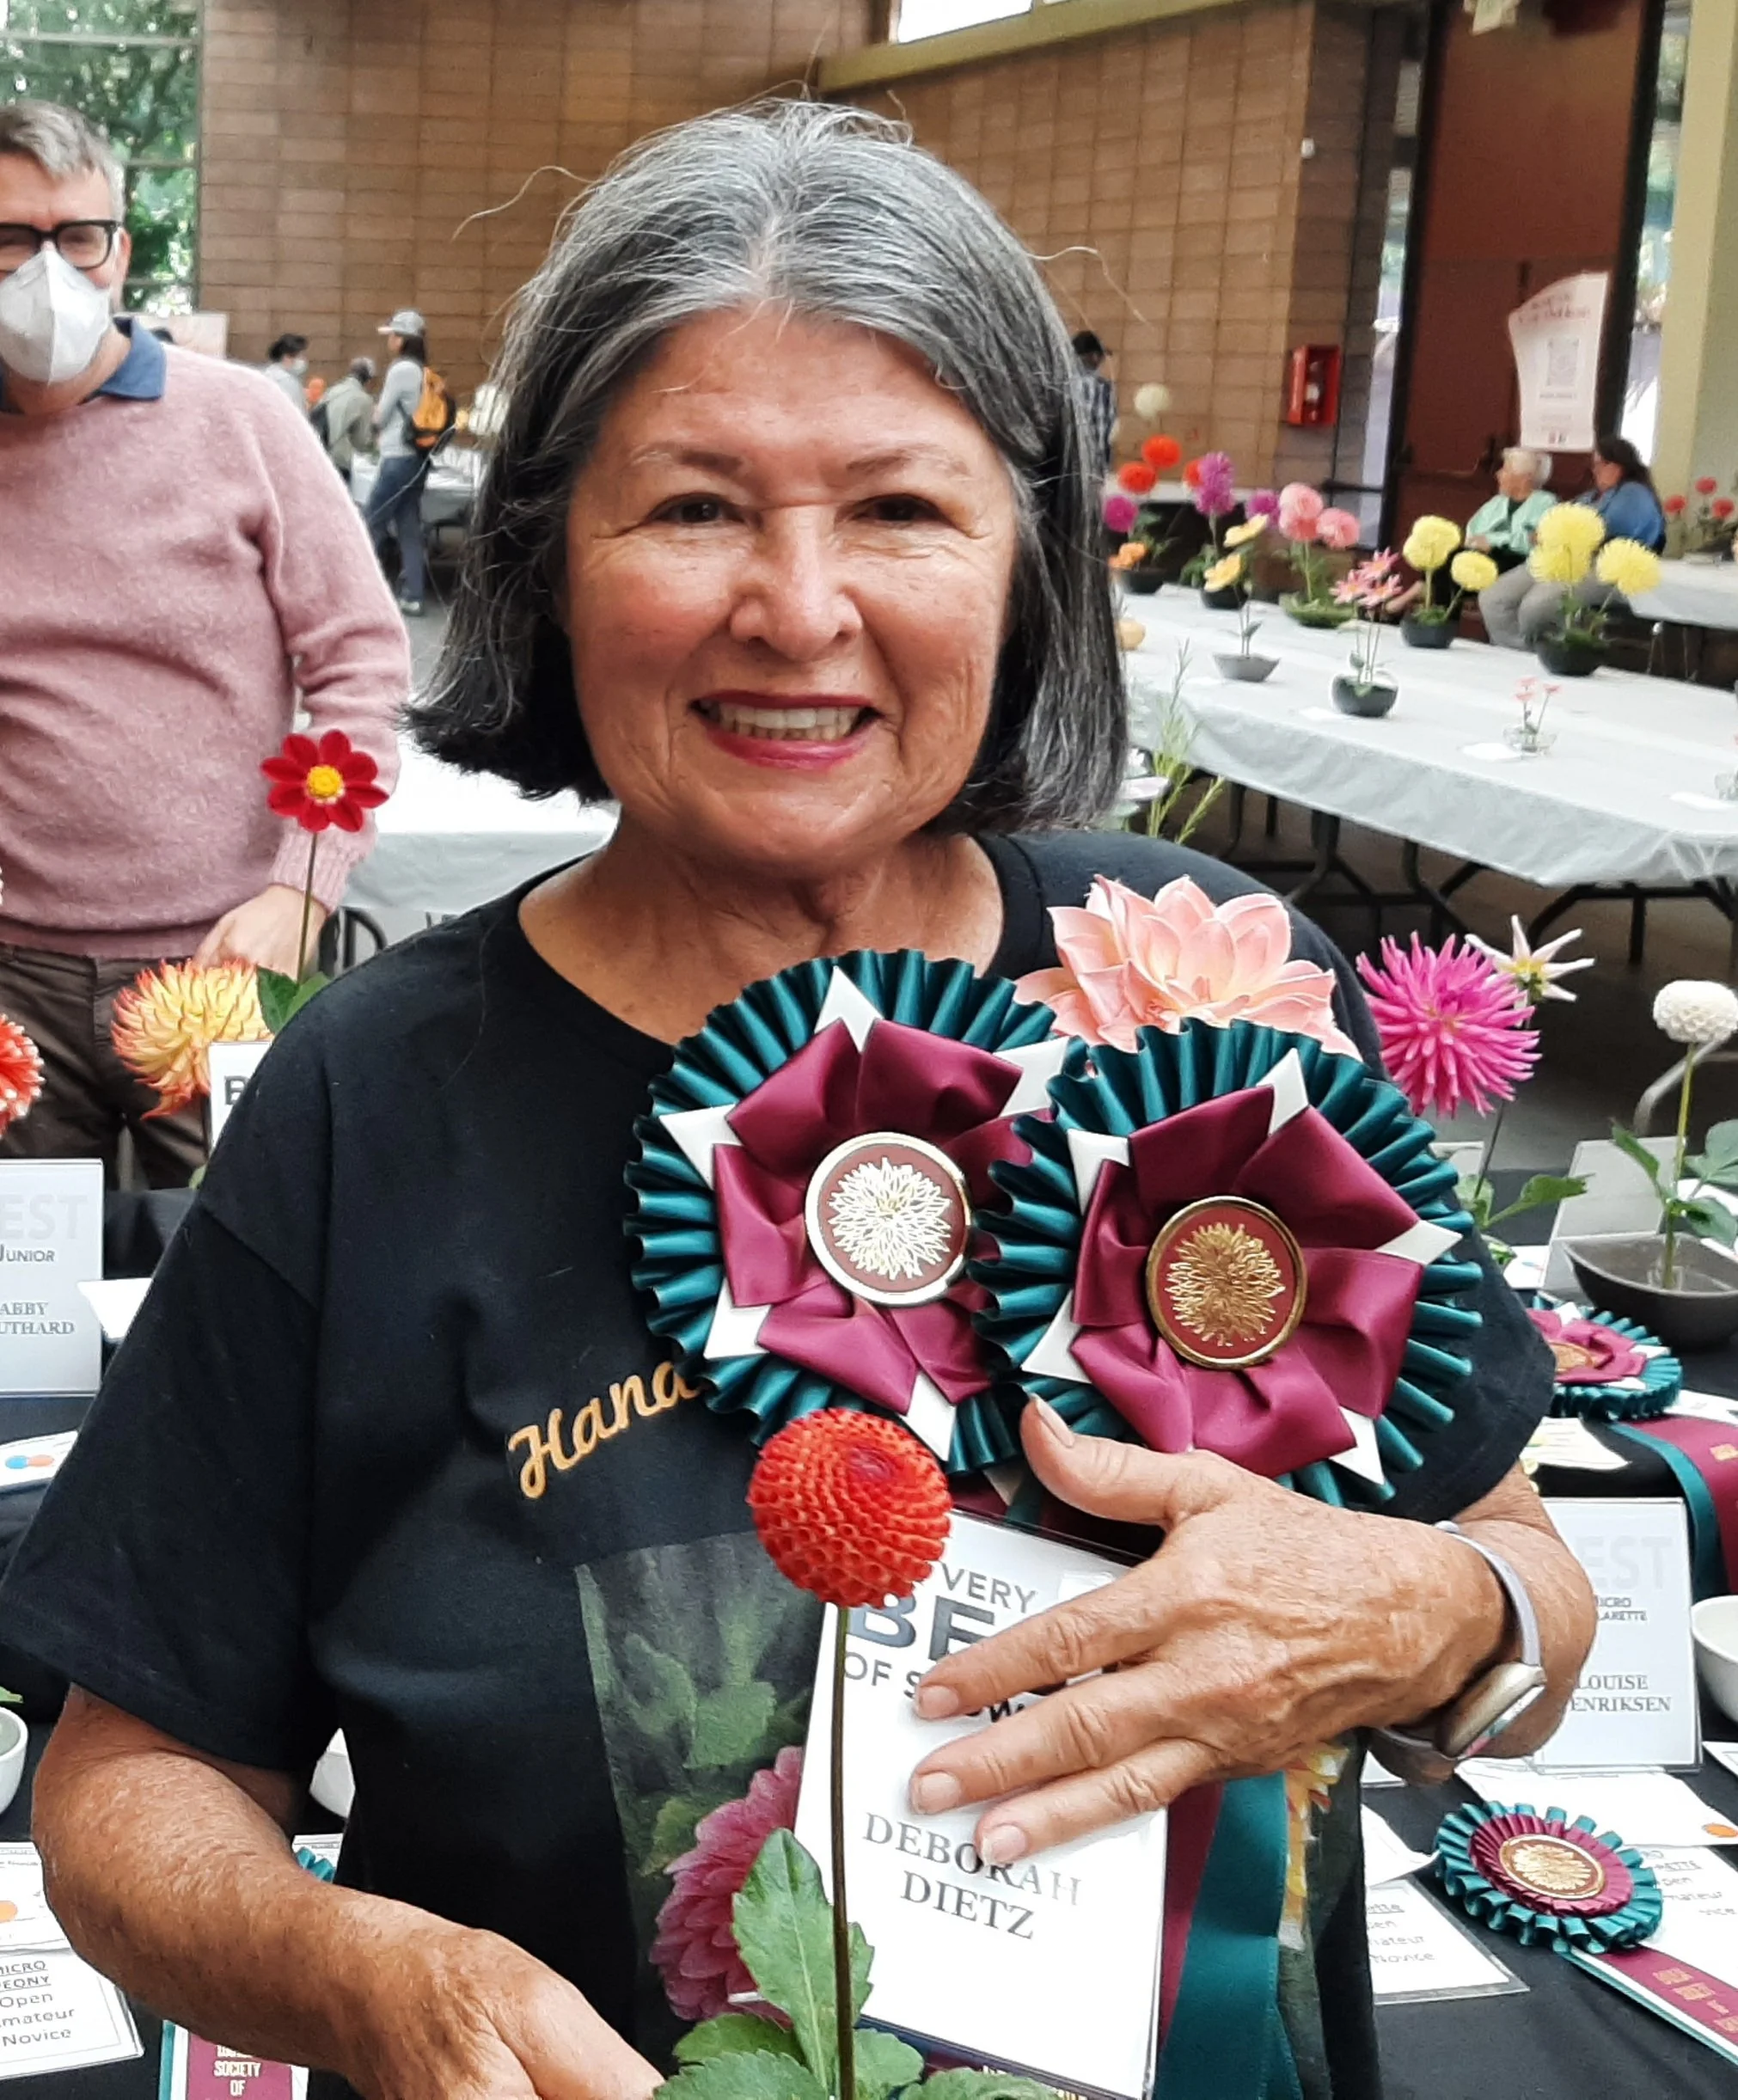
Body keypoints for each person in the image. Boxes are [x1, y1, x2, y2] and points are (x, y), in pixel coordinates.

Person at [8, 104, 1590, 2100]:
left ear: (1025, 562)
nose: (795, 607)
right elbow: (128, 1772)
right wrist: (358, 1977)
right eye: (691, 509)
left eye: (899, 514)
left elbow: (1522, 1568)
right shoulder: (373, 1090)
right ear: (545, 556)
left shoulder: (1201, 988)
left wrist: (1440, 1612)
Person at [0, 101, 407, 1185]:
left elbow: (363, 665)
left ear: (121, 252)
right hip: (14, 981)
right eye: (7, 240)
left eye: (75, 236)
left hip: (224, 958)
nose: (45, 270)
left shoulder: (242, 422)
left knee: (238, 1285)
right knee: (22, 1311)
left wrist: (305, 888)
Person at [1480, 432, 1668, 649]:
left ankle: (1543, 656)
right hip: (1561, 557)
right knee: (1494, 598)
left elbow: (1606, 530)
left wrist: (1561, 535)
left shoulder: (1635, 494)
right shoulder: (1591, 496)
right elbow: (1561, 517)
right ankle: (1517, 651)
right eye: (1594, 465)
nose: (1595, 470)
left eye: (1602, 464)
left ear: (1620, 465)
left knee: (1536, 607)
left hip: (1604, 567)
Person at [366, 307, 431, 615]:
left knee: (369, 523)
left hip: (397, 459)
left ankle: (359, 592)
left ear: (402, 339)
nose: (389, 339)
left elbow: (382, 414)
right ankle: (413, 596)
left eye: (392, 334)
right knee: (408, 528)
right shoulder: (422, 370)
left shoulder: (401, 369)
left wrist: (373, 421)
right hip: (417, 460)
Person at [1465, 445, 1555, 569]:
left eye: (1505, 470)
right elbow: (1473, 534)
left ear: (1524, 478)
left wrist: (1492, 540)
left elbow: (1535, 539)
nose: (1498, 474)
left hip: (1522, 565)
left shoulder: (1545, 503)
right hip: (1482, 560)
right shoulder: (1497, 502)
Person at [319, 354, 376, 483]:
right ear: (369, 380)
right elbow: (362, 441)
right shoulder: (364, 400)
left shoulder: (332, 390)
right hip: (339, 459)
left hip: (319, 452)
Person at [1072, 326, 1116, 481]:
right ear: (1094, 356)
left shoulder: (1057, 384)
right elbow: (1103, 432)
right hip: (1090, 468)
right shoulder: (1101, 388)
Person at [260, 331, 310, 411]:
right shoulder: (286, 381)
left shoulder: (268, 373)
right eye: (299, 355)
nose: (302, 360)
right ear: (286, 356)